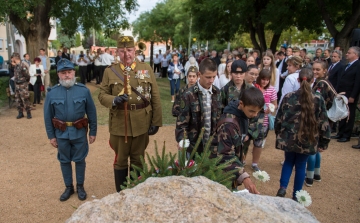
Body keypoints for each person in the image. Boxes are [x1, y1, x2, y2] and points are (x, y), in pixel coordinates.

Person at [98, 36, 162, 192]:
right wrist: (114, 99)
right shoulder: (110, 71)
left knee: (138, 160)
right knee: (120, 160)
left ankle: (136, 194)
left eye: (129, 50)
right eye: (122, 51)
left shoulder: (145, 68)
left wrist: (156, 121)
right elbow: (102, 95)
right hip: (120, 123)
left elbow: (155, 95)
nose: (126, 54)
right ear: (117, 52)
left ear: (135, 50)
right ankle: (121, 196)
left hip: (142, 121)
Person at [44, 58, 97, 201]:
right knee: (64, 160)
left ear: (74, 72)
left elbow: (91, 112)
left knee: (80, 160)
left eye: (69, 72)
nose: (66, 75)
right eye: (63, 73)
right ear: (58, 75)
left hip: (79, 132)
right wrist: (51, 136)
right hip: (61, 133)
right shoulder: (52, 93)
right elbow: (47, 116)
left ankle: (80, 186)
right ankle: (69, 187)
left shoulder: (84, 91)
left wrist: (93, 132)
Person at [275, 68, 330, 200]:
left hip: (288, 137)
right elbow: (323, 122)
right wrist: (324, 142)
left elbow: (279, 118)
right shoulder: (318, 99)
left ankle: (282, 188)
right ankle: (296, 194)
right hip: (308, 139)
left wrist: (279, 134)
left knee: (288, 161)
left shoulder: (288, 97)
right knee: (300, 165)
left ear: (298, 80)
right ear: (313, 81)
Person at [211, 88, 264, 194]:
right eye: (252, 111)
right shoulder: (228, 125)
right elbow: (225, 155)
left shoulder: (243, 114)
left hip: (230, 171)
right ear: (241, 104)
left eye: (258, 112)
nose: (255, 115)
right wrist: (245, 177)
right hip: (219, 174)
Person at [175, 58, 222, 156]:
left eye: (214, 77)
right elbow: (182, 122)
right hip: (194, 147)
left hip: (213, 146)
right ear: (199, 75)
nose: (211, 80)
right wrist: (182, 140)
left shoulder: (218, 93)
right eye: (208, 77)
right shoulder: (188, 95)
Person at [305, 60, 335, 187]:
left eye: (318, 69)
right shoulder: (325, 83)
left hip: (317, 121)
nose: (315, 72)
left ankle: (309, 177)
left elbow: (316, 104)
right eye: (314, 69)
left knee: (312, 149)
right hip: (323, 119)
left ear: (324, 70)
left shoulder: (321, 85)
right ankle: (316, 174)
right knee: (317, 150)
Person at [332, 46, 360, 143]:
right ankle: (340, 132)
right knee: (342, 113)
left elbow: (357, 82)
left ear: (355, 55)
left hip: (350, 94)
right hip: (342, 93)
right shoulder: (346, 65)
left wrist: (353, 96)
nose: (346, 54)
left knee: (349, 115)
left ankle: (346, 134)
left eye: (349, 52)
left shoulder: (358, 65)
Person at [12, 53, 32, 119]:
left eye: (13, 58)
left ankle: (28, 113)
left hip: (23, 85)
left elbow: (27, 75)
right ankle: (20, 113)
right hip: (17, 85)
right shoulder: (16, 66)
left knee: (25, 99)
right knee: (18, 99)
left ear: (15, 58)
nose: (12, 60)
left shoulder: (22, 65)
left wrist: (24, 82)